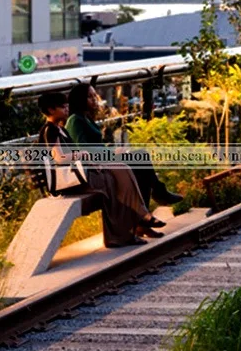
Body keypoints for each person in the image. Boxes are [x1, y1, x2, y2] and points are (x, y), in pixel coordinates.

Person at [37, 92, 165, 247]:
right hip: (68, 182)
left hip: (77, 176)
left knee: (120, 168)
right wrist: (82, 154)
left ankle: (138, 217)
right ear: (51, 110)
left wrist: (90, 162)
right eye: (62, 106)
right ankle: (127, 228)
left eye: (67, 105)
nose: (66, 109)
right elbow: (59, 158)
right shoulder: (50, 130)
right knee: (112, 183)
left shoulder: (59, 129)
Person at [65, 83, 182, 209]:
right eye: (89, 96)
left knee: (141, 165)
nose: (94, 99)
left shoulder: (85, 118)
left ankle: (145, 214)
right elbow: (85, 149)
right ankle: (156, 197)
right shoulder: (75, 120)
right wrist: (113, 151)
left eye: (95, 95)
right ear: (79, 100)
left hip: (102, 161)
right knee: (140, 158)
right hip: (94, 167)